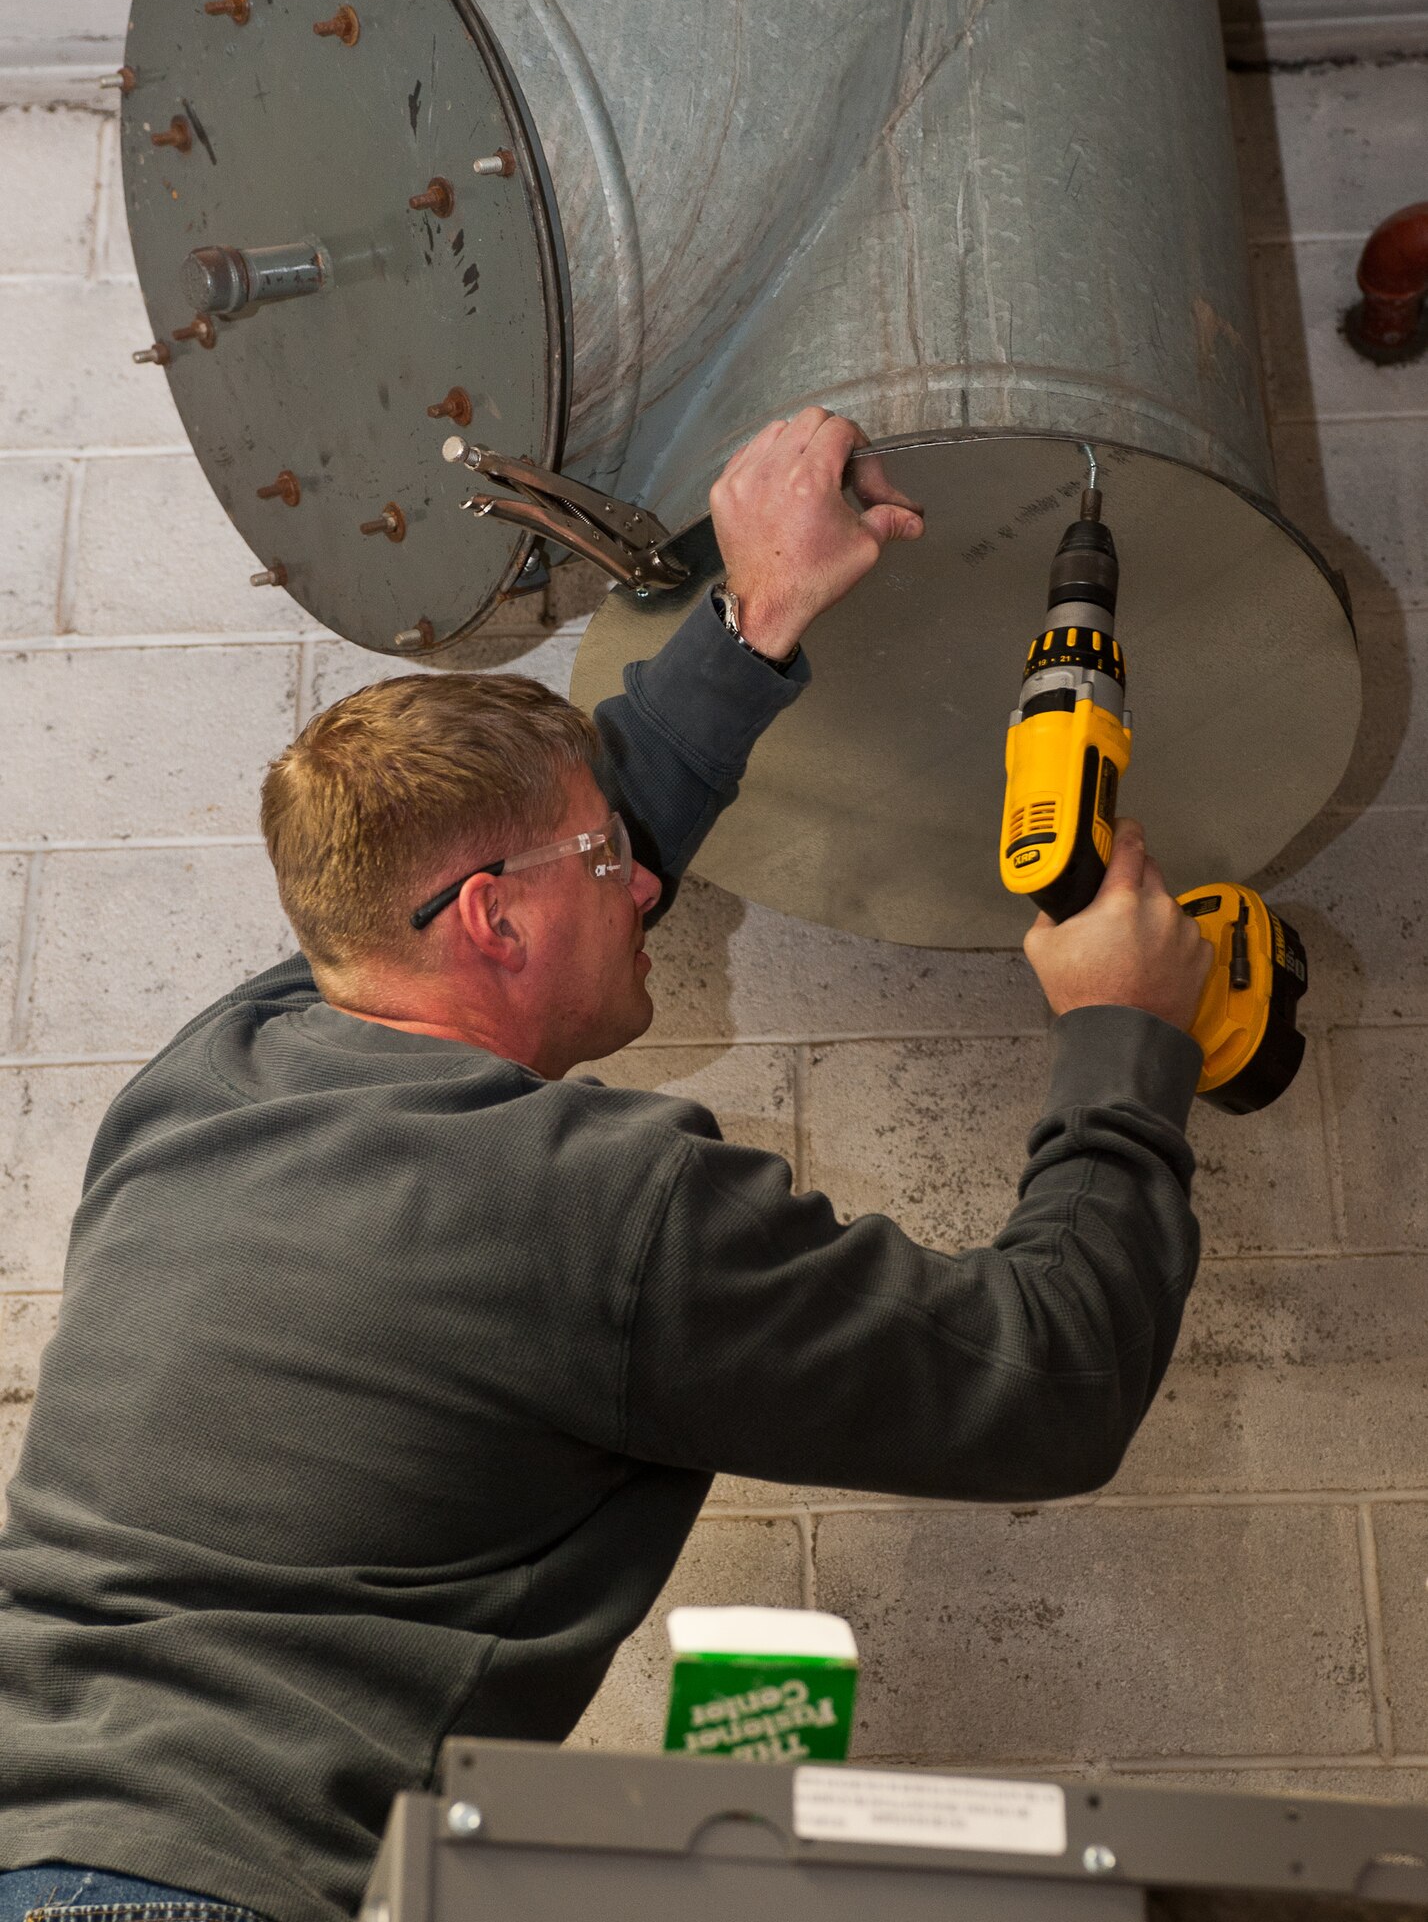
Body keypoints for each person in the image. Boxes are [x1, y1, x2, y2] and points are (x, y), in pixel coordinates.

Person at [0, 410, 1210, 1922]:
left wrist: (757, 617)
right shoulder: (592, 1208)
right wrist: (1125, 1041)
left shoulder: (208, 1076)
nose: (644, 880)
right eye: (603, 866)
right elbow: (1047, 1386)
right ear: (494, 924)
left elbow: (550, 833)